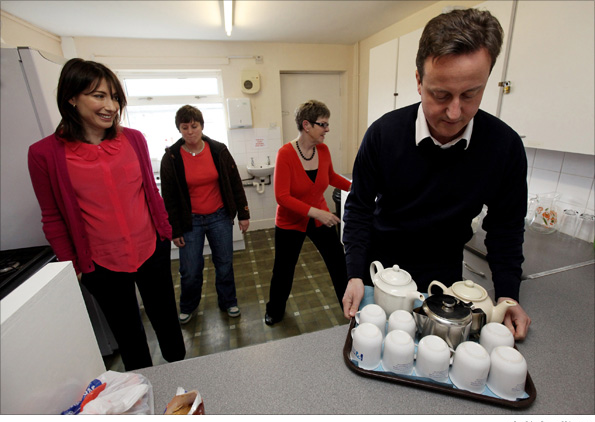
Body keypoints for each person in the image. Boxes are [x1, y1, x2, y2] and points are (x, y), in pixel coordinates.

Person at [342, 8, 532, 340]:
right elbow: (359, 208)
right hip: (382, 272)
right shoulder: (383, 135)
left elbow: (505, 229)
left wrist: (507, 296)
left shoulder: (504, 147)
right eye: (440, 95)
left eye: (471, 94)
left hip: (446, 277)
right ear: (418, 81)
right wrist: (356, 274)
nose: (455, 112)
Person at [28, 58, 185, 371]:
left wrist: (164, 231)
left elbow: (150, 192)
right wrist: (74, 267)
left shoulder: (134, 139)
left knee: (168, 326)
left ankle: (182, 385)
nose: (111, 105)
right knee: (130, 338)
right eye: (99, 96)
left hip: (151, 249)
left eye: (114, 97)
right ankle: (146, 398)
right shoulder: (44, 153)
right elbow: (52, 217)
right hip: (101, 263)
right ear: (71, 97)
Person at [265, 100, 351, 325]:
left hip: (319, 217)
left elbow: (331, 177)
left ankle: (350, 307)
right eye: (323, 124)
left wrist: (355, 187)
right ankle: (274, 310)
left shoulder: (322, 150)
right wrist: (317, 213)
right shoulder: (285, 154)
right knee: (283, 270)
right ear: (306, 125)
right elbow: (282, 197)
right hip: (291, 222)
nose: (327, 129)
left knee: (338, 263)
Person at [160, 105, 250, 323]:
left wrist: (243, 213)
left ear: (201, 126)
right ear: (179, 129)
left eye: (194, 126)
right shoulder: (171, 157)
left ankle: (228, 301)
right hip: (190, 221)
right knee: (190, 269)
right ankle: (188, 306)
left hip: (219, 216)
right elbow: (168, 197)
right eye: (185, 127)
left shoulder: (218, 150)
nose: (190, 131)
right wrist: (174, 229)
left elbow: (235, 183)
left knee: (224, 263)